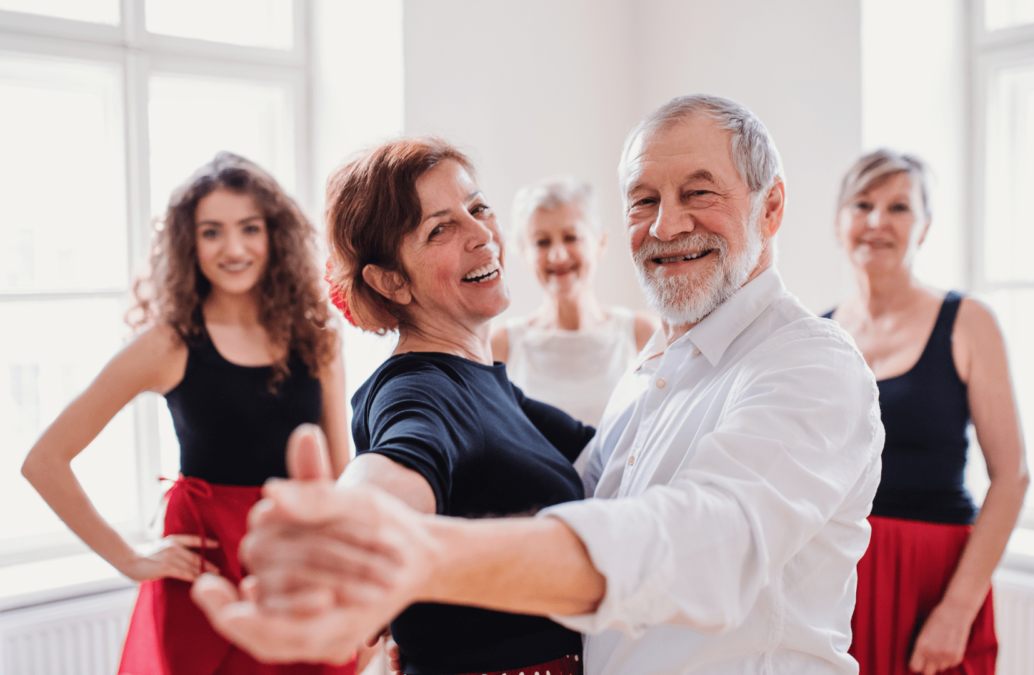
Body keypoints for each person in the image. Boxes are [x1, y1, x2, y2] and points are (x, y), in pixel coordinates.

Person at [194, 94, 885, 675]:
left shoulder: (808, 363)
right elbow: (399, 466)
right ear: (391, 279)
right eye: (644, 199)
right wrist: (353, 547)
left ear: (771, 208)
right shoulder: (638, 372)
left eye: (698, 192)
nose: (668, 223)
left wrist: (416, 559)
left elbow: (701, 538)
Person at [21, 153, 355, 675]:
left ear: (275, 235)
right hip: (203, 576)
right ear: (188, 244)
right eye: (212, 232)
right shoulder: (167, 344)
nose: (235, 248)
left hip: (298, 564)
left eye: (249, 228)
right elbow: (44, 461)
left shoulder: (319, 338)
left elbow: (339, 475)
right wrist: (129, 559)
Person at [287, 138, 596, 674]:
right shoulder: (422, 390)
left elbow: (620, 448)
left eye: (477, 208)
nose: (481, 234)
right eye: (439, 229)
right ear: (391, 280)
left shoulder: (491, 386)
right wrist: (344, 533)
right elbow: (396, 466)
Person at [824, 150, 1028, 675]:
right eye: (862, 203)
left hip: (934, 576)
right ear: (838, 222)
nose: (877, 221)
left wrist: (957, 610)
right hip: (835, 574)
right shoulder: (815, 335)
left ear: (925, 227)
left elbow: (1012, 477)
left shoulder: (968, 321)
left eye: (898, 207)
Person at [490, 176, 658, 425]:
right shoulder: (501, 347)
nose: (558, 254)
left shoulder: (644, 334)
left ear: (601, 242)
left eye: (571, 237)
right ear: (523, 253)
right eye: (541, 242)